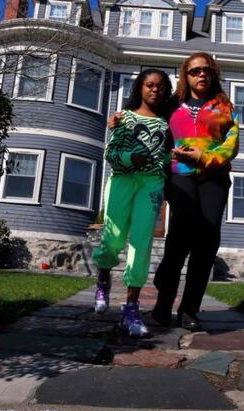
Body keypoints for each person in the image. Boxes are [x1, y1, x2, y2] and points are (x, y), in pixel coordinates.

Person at [151, 53, 239, 331]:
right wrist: (120, 120)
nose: (201, 75)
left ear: (213, 75)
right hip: (179, 175)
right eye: (195, 71)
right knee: (180, 233)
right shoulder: (171, 105)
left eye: (207, 71)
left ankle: (189, 309)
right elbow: (147, 123)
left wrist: (203, 156)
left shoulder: (224, 107)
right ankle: (163, 302)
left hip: (214, 176)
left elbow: (231, 144)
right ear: (185, 76)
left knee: (207, 239)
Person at [92, 69, 174, 337]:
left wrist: (164, 160)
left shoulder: (166, 122)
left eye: (161, 86)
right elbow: (110, 153)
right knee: (114, 238)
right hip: (122, 182)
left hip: (151, 184)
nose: (155, 90)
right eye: (149, 85)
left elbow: (165, 157)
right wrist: (130, 158)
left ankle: (131, 309)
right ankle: (103, 279)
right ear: (140, 87)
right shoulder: (123, 118)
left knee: (141, 243)